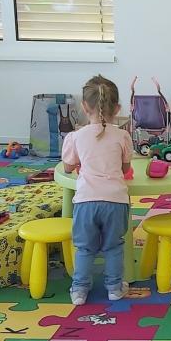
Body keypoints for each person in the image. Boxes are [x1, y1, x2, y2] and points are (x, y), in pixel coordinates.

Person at [61, 75, 133, 306]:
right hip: (115, 201)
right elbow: (125, 168)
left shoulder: (75, 137)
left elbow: (67, 167)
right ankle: (114, 288)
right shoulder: (122, 135)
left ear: (84, 106)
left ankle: (79, 290)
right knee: (113, 246)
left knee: (84, 248)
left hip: (86, 201)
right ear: (117, 108)